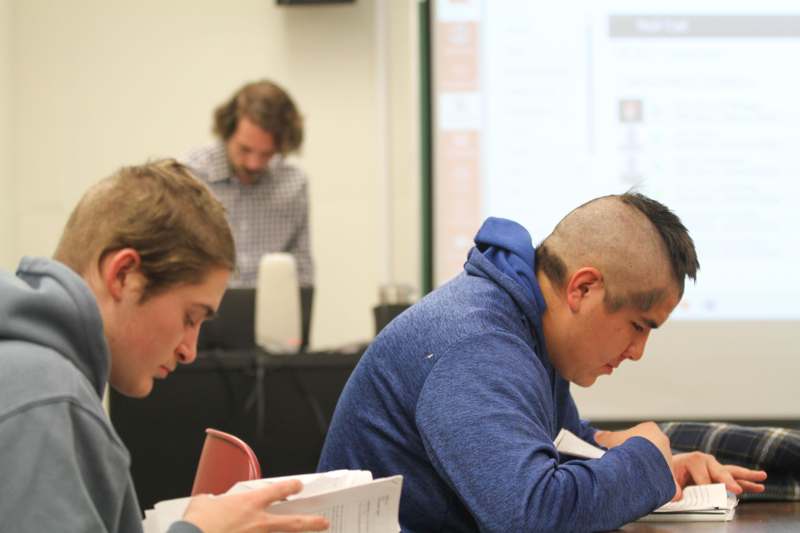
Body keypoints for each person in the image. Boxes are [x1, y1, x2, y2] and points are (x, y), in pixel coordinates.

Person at [318, 193, 767, 532]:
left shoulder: (523, 324)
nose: (637, 351)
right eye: (637, 325)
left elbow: (554, 443)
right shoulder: (477, 346)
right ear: (583, 288)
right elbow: (531, 516)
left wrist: (633, 454)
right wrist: (644, 461)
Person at [0, 160, 328, 533]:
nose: (189, 350)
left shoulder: (30, 378)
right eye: (190, 317)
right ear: (123, 275)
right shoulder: (47, 400)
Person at [183, 80, 314, 349]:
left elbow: (301, 268)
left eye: (266, 154)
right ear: (226, 130)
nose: (254, 163)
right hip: (199, 332)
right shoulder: (191, 175)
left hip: (270, 338)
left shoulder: (293, 184)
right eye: (245, 150)